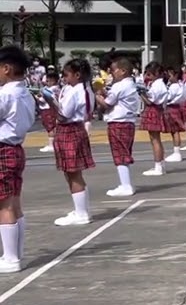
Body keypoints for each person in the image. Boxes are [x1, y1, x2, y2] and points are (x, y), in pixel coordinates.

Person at [40, 58, 97, 226]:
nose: (64, 77)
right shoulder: (85, 89)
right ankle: (82, 209)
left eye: (66, 74)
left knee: (72, 173)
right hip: (76, 129)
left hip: (69, 130)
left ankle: (81, 213)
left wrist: (51, 100)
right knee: (73, 172)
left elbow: (63, 114)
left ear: (77, 75)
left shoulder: (75, 90)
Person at [0, 45, 36, 273]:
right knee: (14, 203)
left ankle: (11, 258)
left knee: (4, 205)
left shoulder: (5, 94)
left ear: (6, 68)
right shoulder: (26, 93)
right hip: (15, 148)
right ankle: (15, 253)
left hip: (3, 149)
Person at [96, 56, 141, 197]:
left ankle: (126, 185)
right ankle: (125, 183)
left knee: (120, 154)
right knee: (123, 153)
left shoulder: (120, 86)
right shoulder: (130, 84)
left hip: (119, 122)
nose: (112, 73)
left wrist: (96, 94)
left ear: (123, 71)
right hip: (127, 122)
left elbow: (107, 104)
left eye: (114, 70)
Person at [139, 63, 171, 176]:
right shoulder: (158, 84)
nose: (148, 76)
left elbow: (149, 101)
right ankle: (160, 165)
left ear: (157, 73)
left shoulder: (158, 85)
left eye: (149, 74)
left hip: (154, 111)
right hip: (156, 110)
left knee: (155, 140)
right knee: (156, 139)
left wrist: (140, 93)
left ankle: (158, 166)